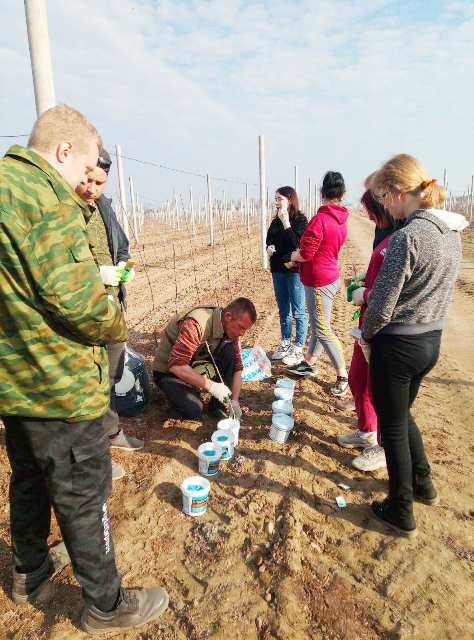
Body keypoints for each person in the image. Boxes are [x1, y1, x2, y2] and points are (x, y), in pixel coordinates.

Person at [0, 105, 168, 634]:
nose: (86, 180)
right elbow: (75, 300)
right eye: (86, 165)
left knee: (29, 481)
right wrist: (115, 319)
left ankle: (30, 574)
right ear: (64, 150)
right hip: (61, 386)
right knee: (84, 495)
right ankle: (106, 604)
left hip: (16, 382)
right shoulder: (40, 196)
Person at [361, 154, 463, 538]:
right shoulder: (450, 233)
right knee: (402, 414)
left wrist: (367, 335)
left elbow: (381, 305)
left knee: (392, 427)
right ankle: (423, 482)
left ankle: (400, 508)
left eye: (384, 197)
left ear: (399, 193)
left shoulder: (407, 238)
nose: (385, 206)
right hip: (430, 340)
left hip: (398, 347)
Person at [76, 149, 143, 482]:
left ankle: (112, 432)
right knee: (90, 385)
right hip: (84, 312)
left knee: (111, 378)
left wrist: (123, 268)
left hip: (112, 308)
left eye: (100, 183)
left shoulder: (103, 207)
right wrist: (97, 274)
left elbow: (123, 246)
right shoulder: (66, 212)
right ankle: (95, 457)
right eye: (88, 180)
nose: (92, 189)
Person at [336, 190, 394, 471]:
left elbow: (394, 292)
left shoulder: (400, 238)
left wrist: (367, 293)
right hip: (367, 322)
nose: (368, 215)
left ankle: (382, 447)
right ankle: (366, 430)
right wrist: (365, 280)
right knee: (358, 379)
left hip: (383, 325)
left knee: (380, 388)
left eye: (370, 210)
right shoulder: (382, 233)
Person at [287, 171, 350, 396]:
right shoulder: (341, 220)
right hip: (331, 276)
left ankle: (343, 375)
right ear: (342, 194)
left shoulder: (320, 220)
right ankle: (309, 362)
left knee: (322, 328)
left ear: (322, 192)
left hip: (318, 282)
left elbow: (307, 254)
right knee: (319, 324)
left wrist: (293, 256)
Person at [153, 298, 257, 420]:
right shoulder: (195, 324)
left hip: (193, 364)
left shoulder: (230, 329)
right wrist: (213, 387)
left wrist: (234, 400)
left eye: (245, 330)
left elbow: (237, 368)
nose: (242, 333)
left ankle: (218, 406)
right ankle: (177, 396)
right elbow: (176, 366)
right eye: (241, 327)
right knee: (193, 409)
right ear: (228, 317)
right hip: (169, 372)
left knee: (230, 352)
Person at [266, 186, 308, 365]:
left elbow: (299, 246)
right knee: (284, 310)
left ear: (290, 200)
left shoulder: (300, 220)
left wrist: (286, 223)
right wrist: (268, 249)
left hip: (294, 272)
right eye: (275, 199)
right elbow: (269, 240)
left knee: (298, 311)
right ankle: (285, 342)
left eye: (279, 199)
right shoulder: (275, 222)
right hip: (278, 271)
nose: (276, 202)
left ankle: (298, 347)